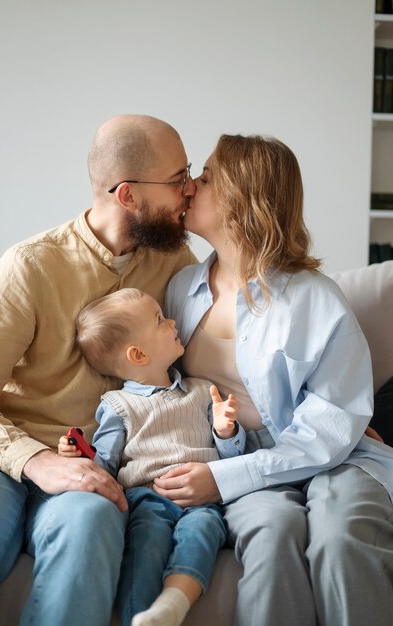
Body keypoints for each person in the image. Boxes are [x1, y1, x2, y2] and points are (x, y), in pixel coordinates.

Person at [153, 134, 393, 626]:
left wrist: (223, 479)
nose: (191, 187)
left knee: (344, 532)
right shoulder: (180, 288)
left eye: (206, 177)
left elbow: (331, 427)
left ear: (242, 198)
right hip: (240, 454)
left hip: (335, 458)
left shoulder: (316, 298)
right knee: (274, 528)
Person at [0, 114, 198, 626]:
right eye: (177, 178)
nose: (189, 189)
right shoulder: (31, 265)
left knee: (94, 519)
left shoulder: (178, 265)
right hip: (5, 458)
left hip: (96, 473)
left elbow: (217, 364)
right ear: (128, 195)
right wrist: (35, 460)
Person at [58, 287, 244, 626]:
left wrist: (225, 430)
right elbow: (105, 466)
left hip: (203, 498)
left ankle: (173, 602)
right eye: (160, 320)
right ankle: (139, 616)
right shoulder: (118, 406)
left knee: (204, 529)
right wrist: (77, 457)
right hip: (146, 498)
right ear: (138, 355)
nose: (172, 321)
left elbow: (233, 456)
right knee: (145, 547)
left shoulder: (203, 390)